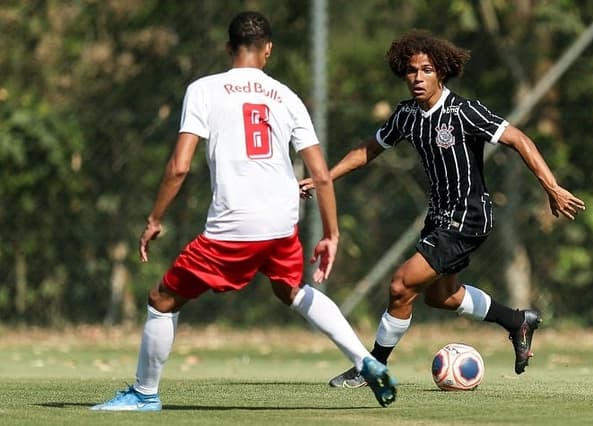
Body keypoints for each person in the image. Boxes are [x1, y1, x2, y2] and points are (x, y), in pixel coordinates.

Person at [91, 11, 397, 411]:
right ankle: (365, 359)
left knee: (162, 299)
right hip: (283, 220)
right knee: (289, 288)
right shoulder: (287, 97)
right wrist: (331, 234)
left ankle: (144, 394)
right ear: (268, 49)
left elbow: (180, 165)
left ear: (228, 47)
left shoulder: (203, 90)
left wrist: (154, 219)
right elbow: (321, 174)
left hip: (234, 224)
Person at [299, 29, 586, 388]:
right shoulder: (406, 115)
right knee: (442, 296)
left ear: (442, 73)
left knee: (401, 285)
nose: (418, 77)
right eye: (411, 70)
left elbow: (518, 138)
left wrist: (552, 186)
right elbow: (368, 149)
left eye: (427, 70)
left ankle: (372, 367)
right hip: (438, 217)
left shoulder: (463, 112)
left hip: (468, 216)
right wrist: (325, 177)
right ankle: (517, 321)